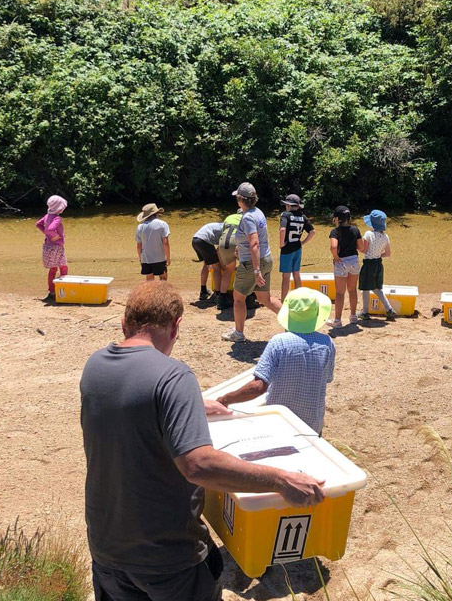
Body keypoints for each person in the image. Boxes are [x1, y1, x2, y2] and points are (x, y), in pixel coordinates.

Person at [81, 282, 325, 601]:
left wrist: (191, 404)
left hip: (106, 551)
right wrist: (281, 480)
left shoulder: (95, 366)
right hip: (167, 559)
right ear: (176, 326)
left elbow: (132, 403)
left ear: (125, 323)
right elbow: (198, 466)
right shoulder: (173, 376)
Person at [216, 288, 335, 434]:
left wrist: (225, 399)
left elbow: (258, 387)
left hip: (280, 422)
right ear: (317, 314)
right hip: (312, 424)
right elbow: (326, 378)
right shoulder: (327, 343)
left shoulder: (279, 343)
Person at [223, 182, 282, 342]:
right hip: (266, 258)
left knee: (238, 298)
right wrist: (239, 250)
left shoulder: (248, 217)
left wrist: (256, 271)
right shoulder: (258, 212)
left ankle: (238, 333)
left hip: (252, 263)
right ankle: (294, 326)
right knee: (265, 299)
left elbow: (254, 243)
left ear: (241, 200)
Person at [357, 209, 397, 321]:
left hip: (369, 263)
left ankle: (365, 312)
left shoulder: (368, 234)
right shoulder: (385, 237)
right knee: (376, 288)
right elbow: (388, 253)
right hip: (378, 264)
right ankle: (389, 309)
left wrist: (355, 246)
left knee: (365, 288)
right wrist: (378, 254)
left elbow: (364, 250)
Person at [328, 206, 361, 328]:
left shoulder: (335, 232)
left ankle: (337, 321)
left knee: (340, 293)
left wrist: (336, 257)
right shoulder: (355, 230)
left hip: (341, 262)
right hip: (354, 261)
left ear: (337, 218)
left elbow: (333, 247)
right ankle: (353, 316)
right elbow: (361, 247)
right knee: (352, 290)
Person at [278, 193, 315, 300]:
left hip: (287, 248)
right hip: (298, 248)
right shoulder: (303, 217)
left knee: (286, 276)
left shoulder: (285, 215)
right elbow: (312, 232)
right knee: (296, 274)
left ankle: (284, 299)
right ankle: (299, 298)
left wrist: (281, 244)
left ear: (288, 206)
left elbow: (282, 229)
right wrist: (302, 242)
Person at [36, 194, 68, 302]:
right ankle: (63, 290)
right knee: (63, 267)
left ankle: (52, 291)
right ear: (59, 208)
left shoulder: (47, 216)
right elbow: (50, 229)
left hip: (48, 246)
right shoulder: (57, 218)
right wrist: (55, 236)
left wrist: (47, 235)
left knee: (53, 269)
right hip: (57, 247)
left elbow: (38, 224)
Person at [214, 211, 242, 310]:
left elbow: (223, 231)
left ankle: (222, 299)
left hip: (223, 242)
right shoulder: (246, 218)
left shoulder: (229, 217)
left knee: (228, 271)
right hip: (236, 241)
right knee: (246, 268)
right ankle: (247, 297)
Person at [135, 203, 171, 281]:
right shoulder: (162, 224)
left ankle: (151, 293)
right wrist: (168, 258)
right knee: (163, 279)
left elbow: (139, 246)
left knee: (149, 281)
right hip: (159, 257)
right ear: (156, 213)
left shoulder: (140, 227)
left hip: (146, 258)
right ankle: (162, 293)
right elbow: (165, 243)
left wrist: (140, 258)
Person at [191, 221, 224, 303]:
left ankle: (203, 291)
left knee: (206, 264)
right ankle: (218, 294)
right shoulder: (231, 230)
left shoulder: (223, 225)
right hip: (204, 241)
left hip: (195, 240)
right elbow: (221, 249)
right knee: (217, 268)